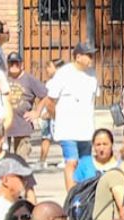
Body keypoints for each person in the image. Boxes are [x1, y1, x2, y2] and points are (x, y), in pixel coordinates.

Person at [39, 42, 100, 189]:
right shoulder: (64, 74)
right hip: (68, 129)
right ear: (78, 57)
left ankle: (87, 192)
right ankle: (72, 194)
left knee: (86, 162)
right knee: (71, 161)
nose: (91, 58)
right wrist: (56, 118)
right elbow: (50, 101)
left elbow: (93, 99)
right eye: (88, 55)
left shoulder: (92, 75)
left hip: (86, 128)